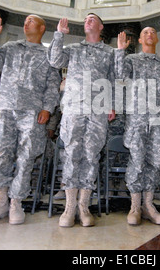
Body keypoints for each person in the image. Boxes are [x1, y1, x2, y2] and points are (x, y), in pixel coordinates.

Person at [0, 15, 60, 225]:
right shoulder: (11, 47)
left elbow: (52, 84)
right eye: (24, 21)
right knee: (1, 152)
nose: (25, 24)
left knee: (26, 156)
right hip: (6, 108)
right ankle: (1, 200)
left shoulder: (49, 54)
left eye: (30, 21)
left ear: (41, 28)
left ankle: (16, 202)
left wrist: (47, 109)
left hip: (32, 111)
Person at [48, 14, 129, 227]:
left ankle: (84, 206)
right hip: (74, 107)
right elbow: (55, 60)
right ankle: (69, 207)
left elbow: (120, 78)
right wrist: (58, 36)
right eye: (86, 19)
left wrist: (120, 52)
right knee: (72, 153)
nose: (87, 21)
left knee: (91, 155)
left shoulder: (110, 52)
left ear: (101, 26)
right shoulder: (74, 49)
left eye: (92, 19)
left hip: (99, 109)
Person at [118, 26, 160, 226]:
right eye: (145, 32)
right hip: (137, 117)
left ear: (158, 38)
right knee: (136, 159)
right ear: (140, 40)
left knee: (154, 160)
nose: (150, 34)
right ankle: (135, 206)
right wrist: (120, 51)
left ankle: (148, 205)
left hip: (158, 118)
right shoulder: (131, 60)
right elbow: (120, 77)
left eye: (153, 32)